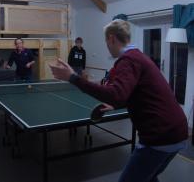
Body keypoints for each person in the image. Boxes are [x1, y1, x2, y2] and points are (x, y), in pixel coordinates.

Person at [50, 19, 188, 182]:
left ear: (111, 38)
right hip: (177, 131)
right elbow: (131, 93)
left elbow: (115, 94)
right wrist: (116, 104)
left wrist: (73, 78)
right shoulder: (138, 56)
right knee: (149, 177)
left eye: (106, 41)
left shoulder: (128, 60)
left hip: (160, 135)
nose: (106, 46)